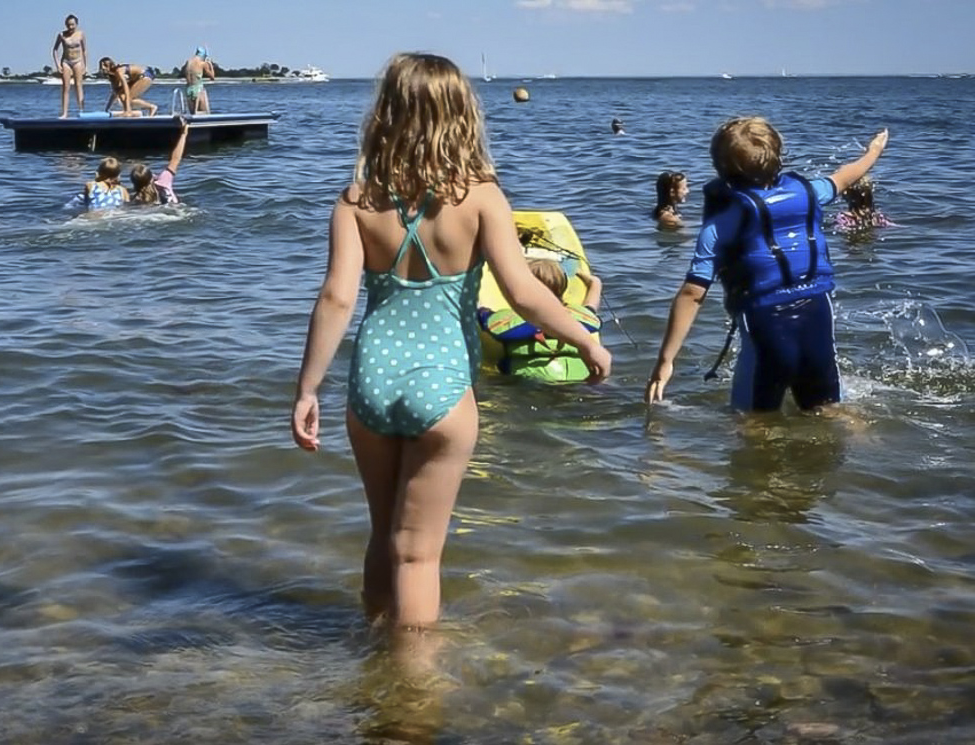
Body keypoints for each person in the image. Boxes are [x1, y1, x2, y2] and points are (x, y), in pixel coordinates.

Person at [291, 53, 611, 634]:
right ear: (462, 115)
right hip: (441, 382)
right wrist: (586, 341)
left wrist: (307, 388)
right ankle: (412, 694)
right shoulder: (481, 197)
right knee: (418, 554)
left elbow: (336, 299)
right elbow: (523, 294)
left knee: (382, 535)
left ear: (385, 113)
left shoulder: (357, 200)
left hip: (372, 381)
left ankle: (372, 660)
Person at [644, 117, 889, 413]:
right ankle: (868, 451)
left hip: (766, 324)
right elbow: (845, 176)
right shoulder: (810, 192)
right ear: (779, 158)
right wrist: (873, 152)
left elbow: (692, 294)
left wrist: (665, 361)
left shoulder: (722, 223)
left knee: (751, 421)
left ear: (722, 171)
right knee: (829, 409)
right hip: (818, 314)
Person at [478, 258, 604, 382]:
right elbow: (590, 308)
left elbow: (484, 317)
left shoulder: (511, 321)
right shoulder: (574, 319)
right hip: (578, 378)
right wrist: (595, 284)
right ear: (563, 288)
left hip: (530, 381)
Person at [129, 122, 190, 205]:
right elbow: (175, 159)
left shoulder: (135, 200)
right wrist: (184, 134)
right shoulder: (163, 181)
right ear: (151, 177)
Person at [51, 14, 87, 118]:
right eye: (68, 25)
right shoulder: (61, 35)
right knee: (66, 87)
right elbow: (55, 50)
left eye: (72, 25)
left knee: (78, 86)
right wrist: (58, 65)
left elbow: (84, 50)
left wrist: (86, 65)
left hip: (78, 61)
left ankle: (81, 110)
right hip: (66, 61)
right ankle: (64, 113)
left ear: (76, 24)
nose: (70, 27)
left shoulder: (81, 34)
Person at [183, 47, 215, 114]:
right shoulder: (202, 63)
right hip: (198, 89)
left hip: (188, 89)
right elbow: (212, 77)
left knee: (192, 114)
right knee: (204, 113)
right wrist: (210, 64)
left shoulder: (188, 62)